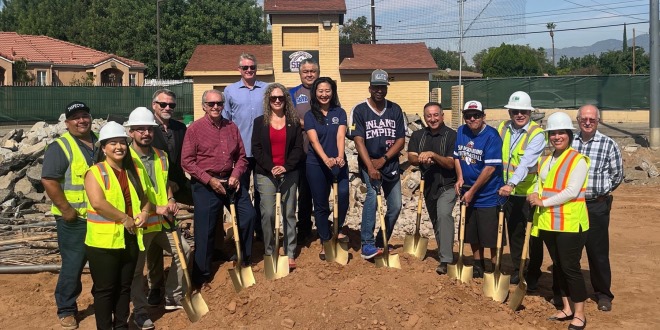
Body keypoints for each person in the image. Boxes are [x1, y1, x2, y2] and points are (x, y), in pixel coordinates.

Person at [182, 89, 256, 290]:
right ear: (204, 106)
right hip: (205, 183)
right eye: (211, 104)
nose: (216, 107)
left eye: (219, 103)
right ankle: (201, 275)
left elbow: (241, 156)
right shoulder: (195, 129)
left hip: (230, 180)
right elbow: (187, 161)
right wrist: (209, 180)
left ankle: (245, 260)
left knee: (248, 215)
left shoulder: (231, 127)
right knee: (204, 229)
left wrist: (236, 174)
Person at [125, 107, 190, 329]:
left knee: (184, 251)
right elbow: (131, 195)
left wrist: (171, 200)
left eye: (149, 129)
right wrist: (156, 209)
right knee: (136, 270)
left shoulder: (161, 155)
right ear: (131, 132)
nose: (146, 133)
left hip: (162, 222)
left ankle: (173, 296)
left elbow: (164, 185)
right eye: (140, 129)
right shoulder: (125, 159)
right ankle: (140, 311)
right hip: (139, 224)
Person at [84, 121, 151, 330]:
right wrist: (125, 218)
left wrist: (145, 212)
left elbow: (146, 197)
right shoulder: (95, 172)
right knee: (105, 290)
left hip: (129, 238)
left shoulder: (133, 172)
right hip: (103, 243)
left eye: (122, 142)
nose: (119, 147)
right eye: (112, 143)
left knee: (124, 288)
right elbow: (98, 203)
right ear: (103, 148)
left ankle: (121, 326)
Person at [528, 112, 590, 330]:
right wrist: (534, 194)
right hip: (548, 223)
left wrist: (543, 203)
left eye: (561, 132)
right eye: (553, 133)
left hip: (571, 224)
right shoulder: (546, 160)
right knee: (558, 267)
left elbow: (572, 191)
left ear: (569, 135)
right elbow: (539, 182)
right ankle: (566, 307)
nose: (556, 137)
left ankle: (580, 313)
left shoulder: (578, 160)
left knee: (570, 267)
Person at [41, 101, 97, 330]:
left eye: (85, 115)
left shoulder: (101, 142)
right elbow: (49, 180)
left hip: (100, 217)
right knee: (73, 265)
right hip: (74, 220)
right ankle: (66, 308)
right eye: (76, 117)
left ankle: (103, 302)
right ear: (67, 122)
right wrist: (66, 210)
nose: (81, 120)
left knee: (102, 264)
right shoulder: (60, 147)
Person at [349, 69, 406, 260]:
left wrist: (384, 159)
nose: (379, 90)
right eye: (376, 87)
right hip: (369, 163)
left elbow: (400, 140)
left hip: (390, 164)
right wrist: (372, 167)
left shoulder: (395, 109)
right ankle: (367, 243)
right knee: (372, 197)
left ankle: (382, 239)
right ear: (370, 87)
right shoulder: (360, 110)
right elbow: (358, 141)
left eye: (383, 86)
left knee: (396, 205)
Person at [572, 104, 623, 312]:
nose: (587, 122)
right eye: (584, 118)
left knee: (598, 252)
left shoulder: (608, 144)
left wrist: (602, 191)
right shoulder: (570, 142)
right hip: (572, 205)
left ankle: (603, 294)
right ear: (578, 120)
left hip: (596, 206)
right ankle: (571, 292)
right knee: (570, 251)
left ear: (598, 121)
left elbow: (617, 174)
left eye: (592, 119)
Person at [497, 91, 546, 288]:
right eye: (515, 111)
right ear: (510, 112)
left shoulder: (536, 134)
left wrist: (512, 183)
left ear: (529, 112)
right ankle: (519, 269)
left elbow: (526, 163)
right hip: (508, 192)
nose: (519, 114)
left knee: (532, 235)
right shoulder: (503, 128)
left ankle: (533, 272)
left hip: (527, 192)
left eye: (523, 111)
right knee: (515, 232)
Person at [252, 83, 304, 269]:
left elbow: (298, 148)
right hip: (266, 174)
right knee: (267, 213)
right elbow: (256, 149)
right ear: (268, 100)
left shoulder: (294, 121)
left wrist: (286, 167)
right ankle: (270, 250)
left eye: (280, 98)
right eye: (273, 98)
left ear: (286, 100)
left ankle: (289, 251)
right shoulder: (260, 122)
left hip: (289, 173)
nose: (277, 101)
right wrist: (272, 167)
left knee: (289, 213)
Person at [147, 88, 190, 307]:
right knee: (155, 239)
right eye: (163, 105)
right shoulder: (147, 129)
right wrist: (167, 192)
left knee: (206, 201)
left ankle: (212, 251)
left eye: (171, 105)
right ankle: (155, 285)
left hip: (177, 182)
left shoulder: (179, 128)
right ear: (154, 104)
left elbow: (185, 156)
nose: (167, 108)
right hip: (155, 189)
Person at [453, 100, 504, 278]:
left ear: (483, 116)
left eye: (476, 115)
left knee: (490, 235)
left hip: (488, 193)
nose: (472, 119)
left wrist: (472, 191)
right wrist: (460, 178)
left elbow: (489, 169)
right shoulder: (461, 131)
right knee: (471, 232)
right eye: (468, 116)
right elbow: (457, 157)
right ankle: (478, 264)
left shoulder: (492, 136)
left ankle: (494, 266)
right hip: (467, 191)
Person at [407, 102, 456, 275]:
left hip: (448, 185)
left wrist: (434, 156)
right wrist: (420, 158)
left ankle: (446, 260)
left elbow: (451, 163)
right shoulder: (418, 135)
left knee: (444, 215)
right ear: (424, 117)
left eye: (436, 115)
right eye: (429, 116)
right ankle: (445, 251)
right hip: (428, 185)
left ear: (442, 116)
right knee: (436, 221)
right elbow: (411, 156)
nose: (433, 119)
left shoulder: (451, 136)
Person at [304, 77, 350, 260]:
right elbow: (314, 141)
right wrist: (325, 159)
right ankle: (325, 239)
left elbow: (341, 135)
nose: (324, 94)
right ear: (315, 93)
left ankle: (336, 228)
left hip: (338, 163)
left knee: (344, 195)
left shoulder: (339, 112)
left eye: (327, 91)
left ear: (333, 92)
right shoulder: (309, 115)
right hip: (316, 164)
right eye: (320, 91)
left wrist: (339, 157)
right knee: (321, 203)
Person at [223, 53, 267, 240]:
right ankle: (243, 231)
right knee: (240, 193)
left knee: (262, 192)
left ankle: (260, 230)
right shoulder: (230, 91)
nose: (249, 70)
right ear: (239, 69)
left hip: (262, 151)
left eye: (252, 67)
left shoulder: (266, 89)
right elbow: (225, 121)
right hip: (239, 153)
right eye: (245, 68)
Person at [289, 58, 319, 243]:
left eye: (312, 71)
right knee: (303, 192)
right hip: (301, 151)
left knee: (320, 192)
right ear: (300, 74)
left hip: (322, 151)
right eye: (305, 71)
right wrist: (311, 126)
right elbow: (290, 116)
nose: (309, 74)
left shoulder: (325, 90)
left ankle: (323, 226)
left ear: (318, 72)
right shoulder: (292, 93)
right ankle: (303, 228)